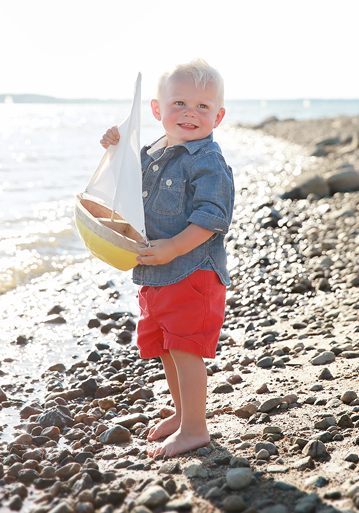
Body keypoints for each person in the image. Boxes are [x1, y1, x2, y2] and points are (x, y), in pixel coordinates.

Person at [100, 58, 234, 456]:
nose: (190, 113)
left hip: (192, 272)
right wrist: (116, 145)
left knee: (186, 349)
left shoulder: (207, 161)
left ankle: (195, 428)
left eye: (202, 107)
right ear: (157, 110)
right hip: (156, 273)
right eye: (178, 104)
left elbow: (212, 218)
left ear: (218, 116)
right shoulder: (151, 152)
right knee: (165, 346)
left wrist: (174, 247)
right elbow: (124, 182)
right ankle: (182, 413)